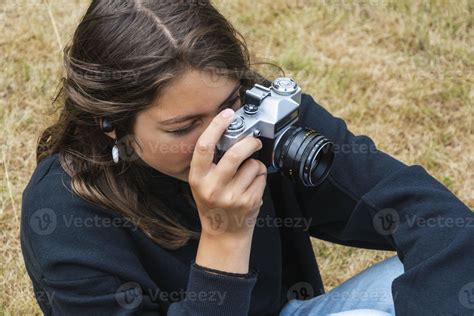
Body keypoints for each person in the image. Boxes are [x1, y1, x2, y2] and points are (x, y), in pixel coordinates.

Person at [20, 1, 473, 315]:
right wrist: (224, 239)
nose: (222, 138)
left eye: (230, 106)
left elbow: (425, 213)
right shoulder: (66, 220)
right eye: (184, 127)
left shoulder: (264, 119)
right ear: (110, 123)